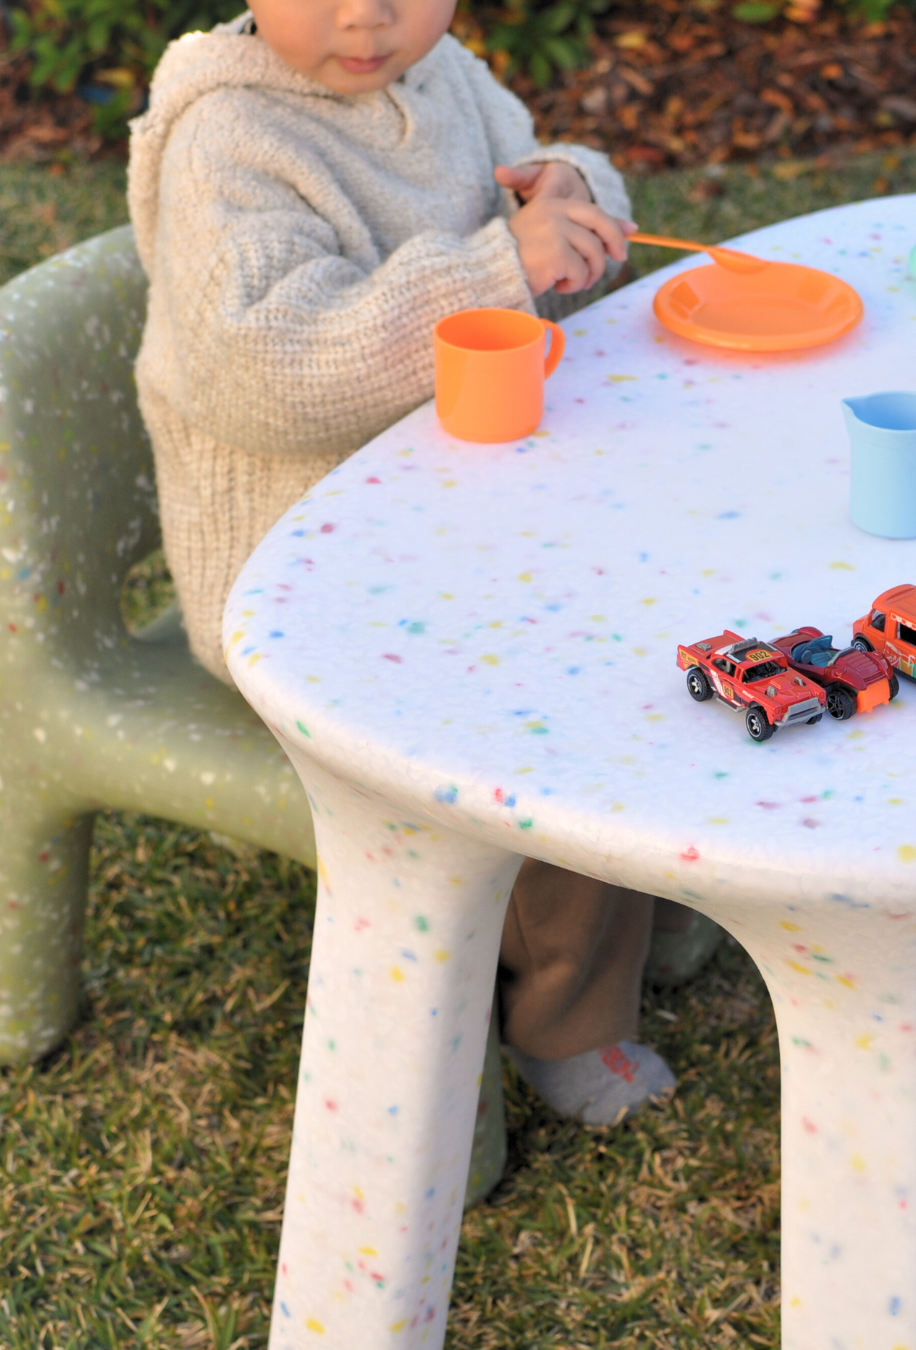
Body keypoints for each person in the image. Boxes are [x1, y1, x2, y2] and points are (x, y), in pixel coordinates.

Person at [127, 0, 678, 1126]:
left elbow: (544, 177)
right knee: (547, 704)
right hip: (299, 578)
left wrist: (569, 195)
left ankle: (657, 896)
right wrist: (491, 274)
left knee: (651, 594)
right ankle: (568, 1018)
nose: (367, 14)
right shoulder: (229, 136)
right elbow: (267, 366)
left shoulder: (447, 82)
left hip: (453, 517)